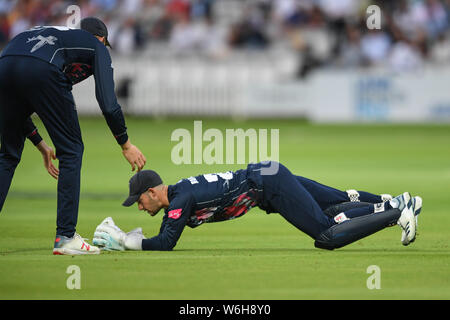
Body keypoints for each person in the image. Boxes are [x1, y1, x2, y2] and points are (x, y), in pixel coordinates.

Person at [0, 17, 147, 255]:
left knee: (7, 156)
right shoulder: (96, 46)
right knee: (71, 151)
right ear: (101, 39)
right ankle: (66, 237)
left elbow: (19, 109)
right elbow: (108, 104)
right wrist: (125, 143)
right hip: (40, 68)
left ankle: (66, 236)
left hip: (5, 62)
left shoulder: (55, 35)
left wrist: (40, 145)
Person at [92, 161, 422, 252]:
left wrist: (124, 242)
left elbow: (165, 243)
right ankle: (396, 203)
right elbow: (164, 233)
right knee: (336, 203)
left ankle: (395, 214)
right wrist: (132, 237)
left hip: (268, 184)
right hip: (267, 176)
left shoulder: (180, 200)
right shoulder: (179, 195)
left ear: (152, 191)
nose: (138, 207)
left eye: (139, 200)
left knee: (327, 234)